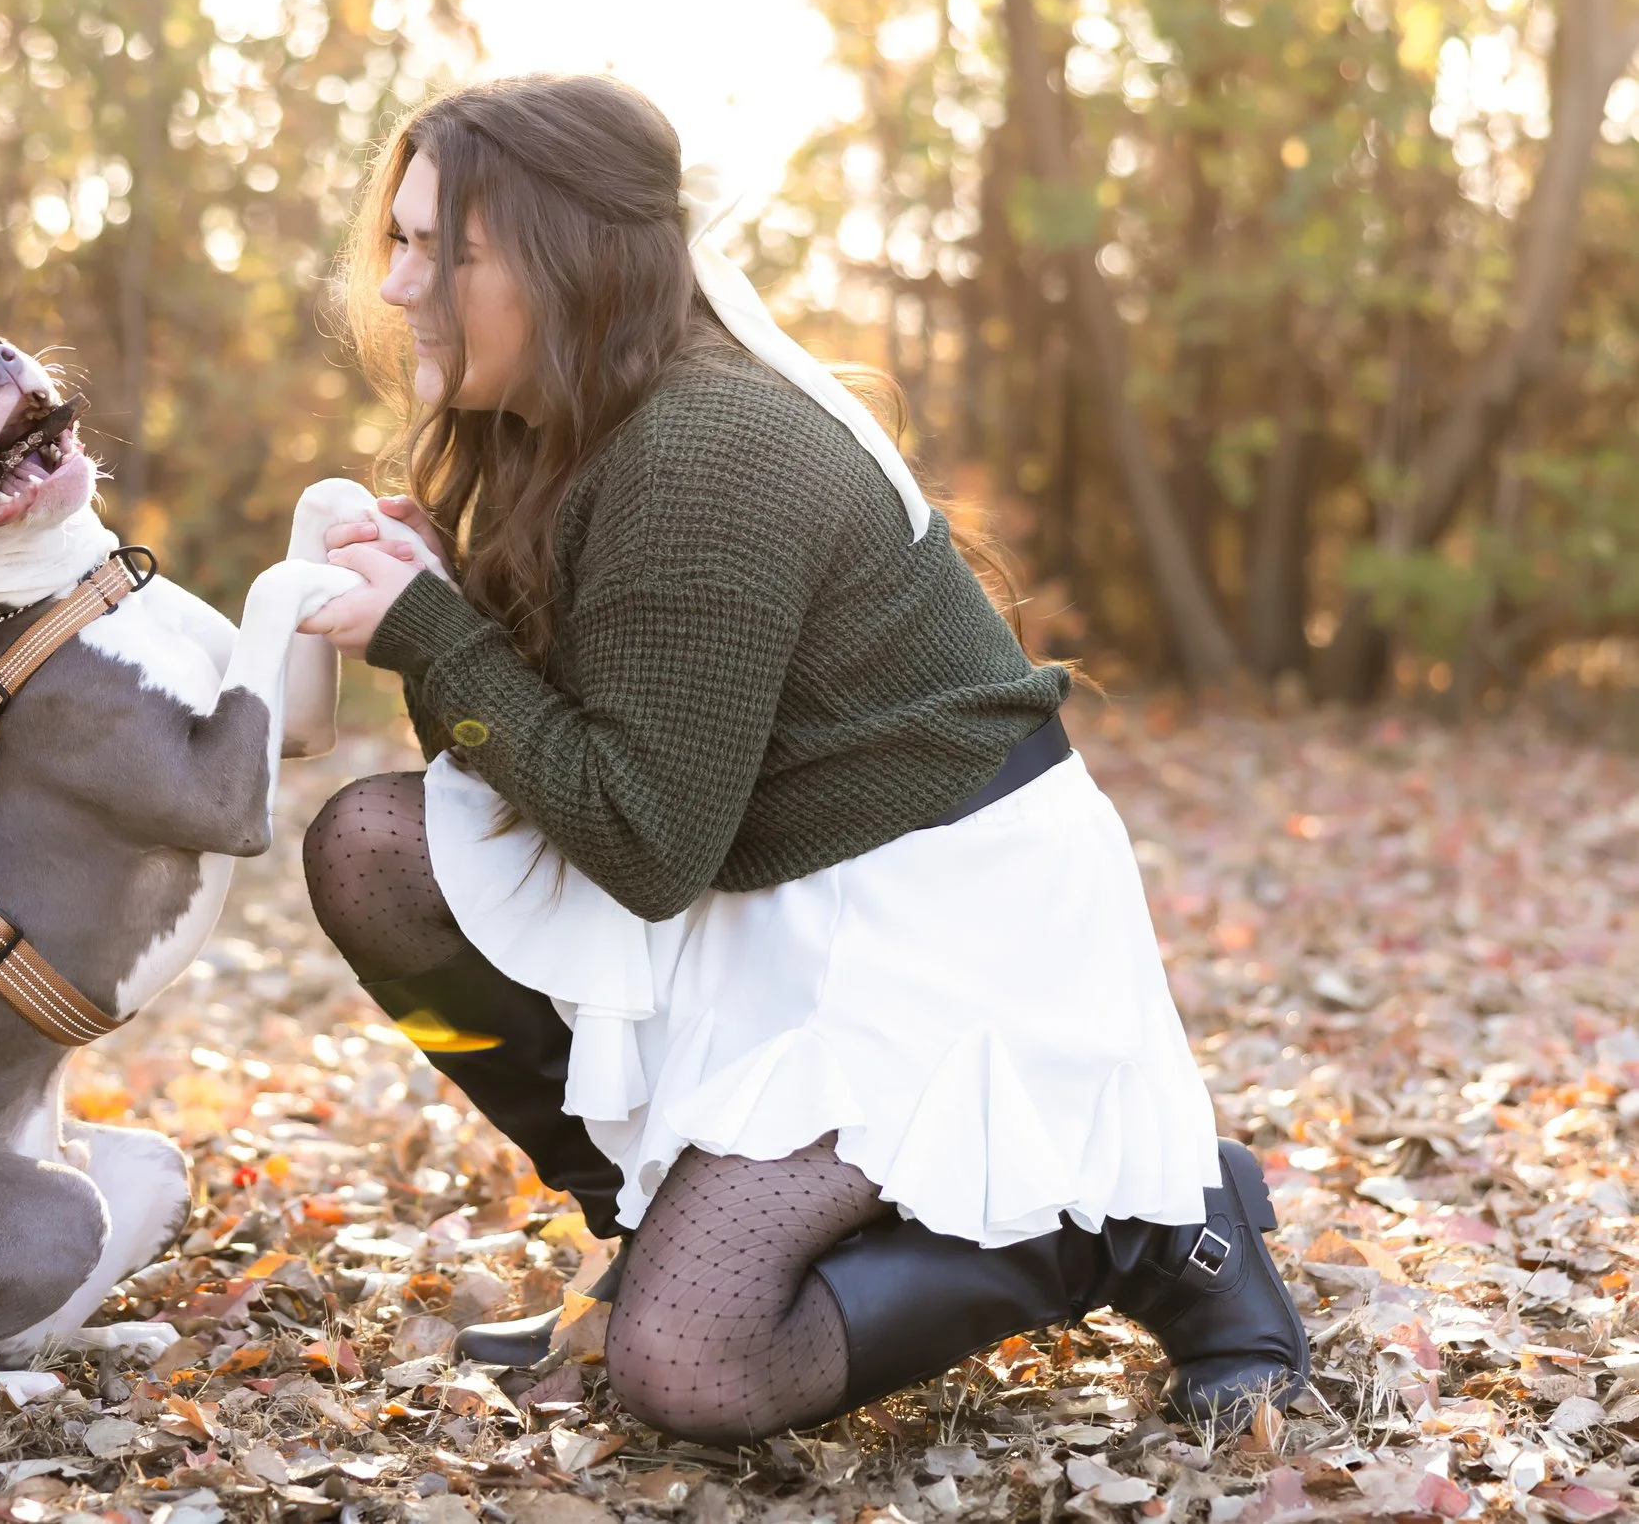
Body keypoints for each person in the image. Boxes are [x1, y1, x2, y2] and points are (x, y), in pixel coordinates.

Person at [293, 74, 1306, 1445]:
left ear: (568, 262)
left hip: (934, 927)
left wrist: (432, 635)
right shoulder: (574, 425)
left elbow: (644, 847)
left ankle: (1136, 1225)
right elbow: (539, 775)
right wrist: (449, 609)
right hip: (763, 880)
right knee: (375, 847)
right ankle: (648, 1233)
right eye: (398, 241)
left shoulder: (709, 445)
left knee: (695, 1370)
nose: (401, 283)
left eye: (443, 250)